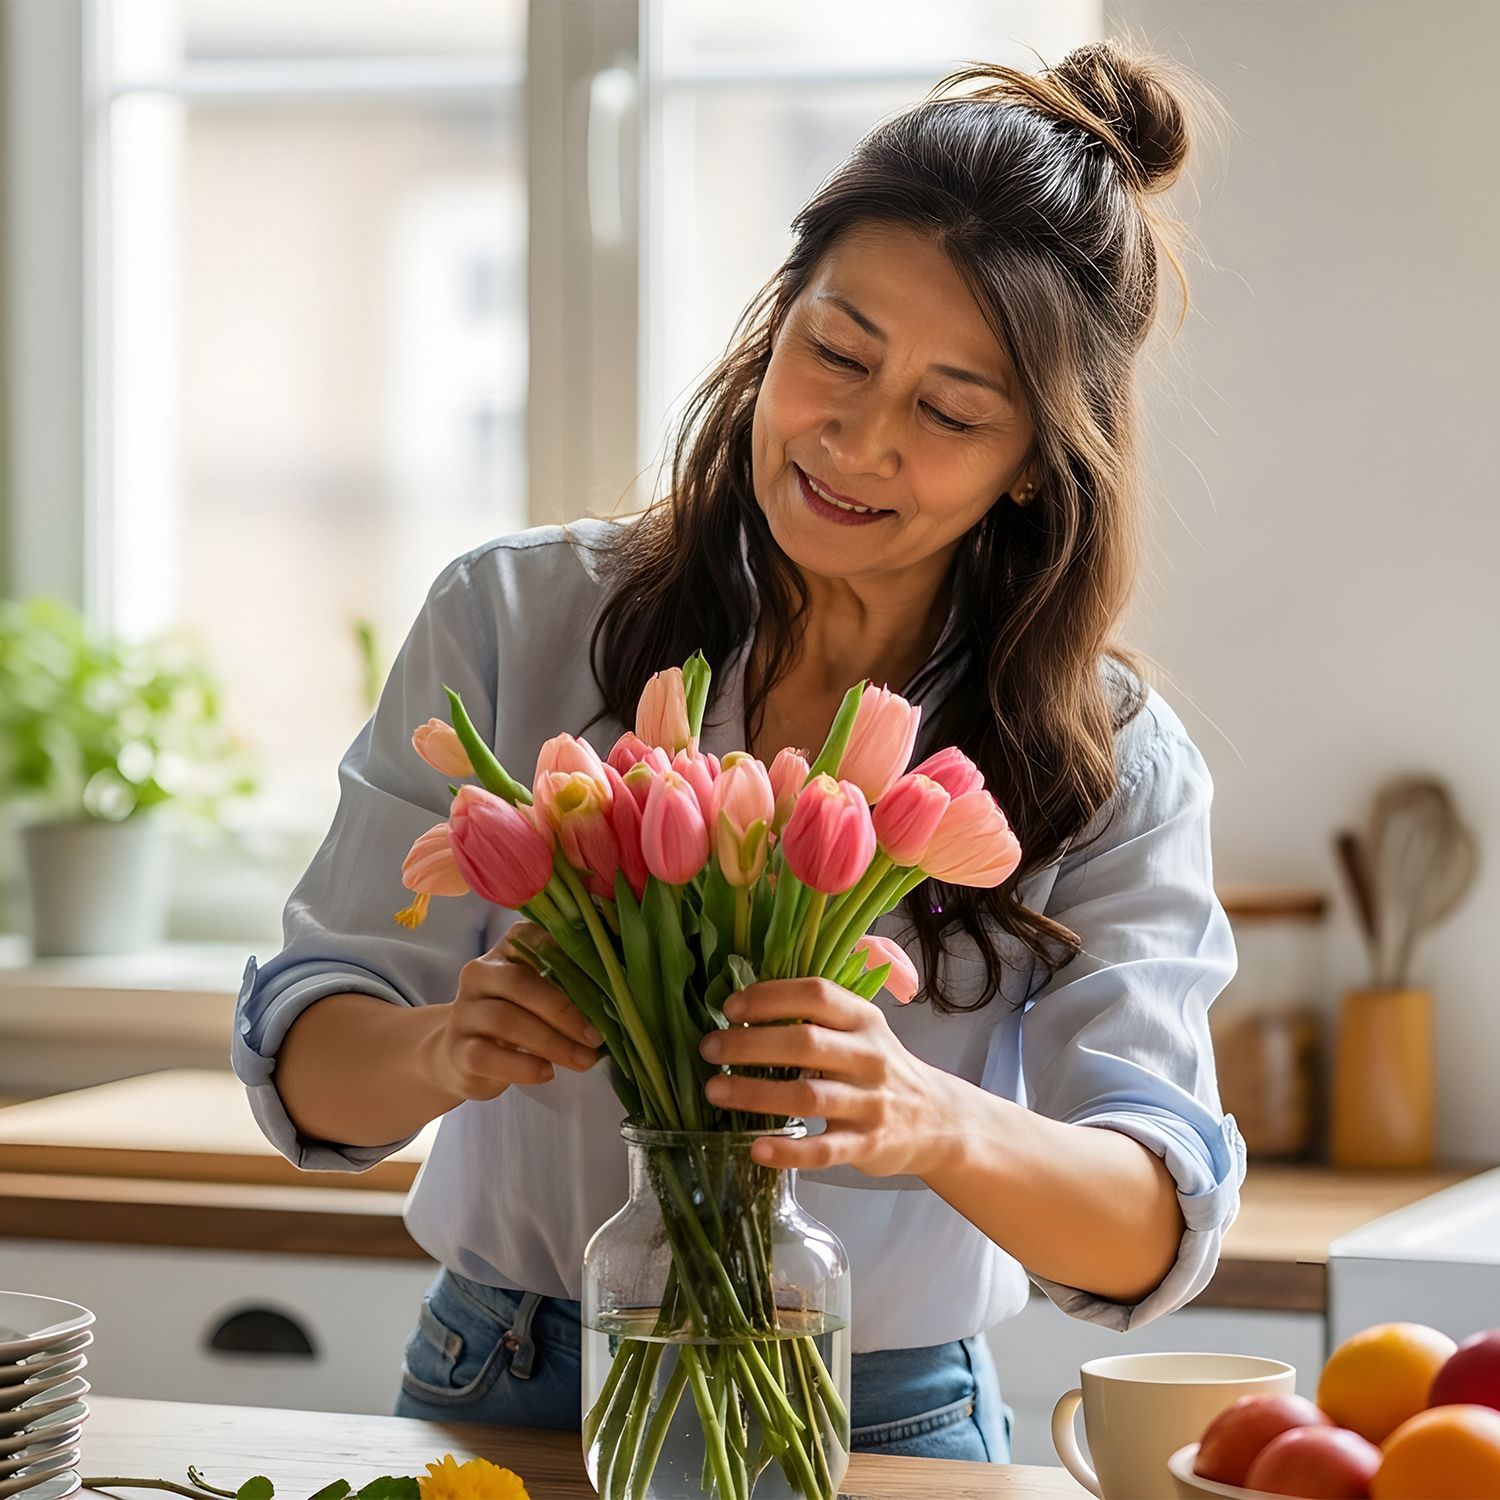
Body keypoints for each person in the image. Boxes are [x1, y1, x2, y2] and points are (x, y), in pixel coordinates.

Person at [232, 38, 1244, 1465]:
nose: (859, 439)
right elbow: (309, 1064)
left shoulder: (1107, 758)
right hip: (506, 1371)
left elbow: (1148, 1225)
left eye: (951, 412)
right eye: (838, 353)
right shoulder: (518, 619)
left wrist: (925, 1116)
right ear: (777, 328)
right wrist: (442, 1045)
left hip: (883, 1412)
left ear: (1034, 460)